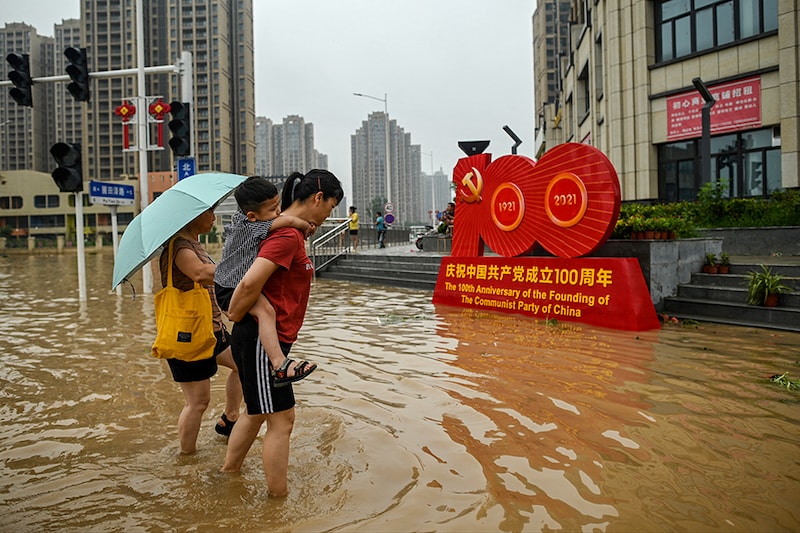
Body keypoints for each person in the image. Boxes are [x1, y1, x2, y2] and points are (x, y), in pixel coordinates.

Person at [221, 169, 344, 497]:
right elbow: (248, 282)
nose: (329, 214)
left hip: (261, 338)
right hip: (262, 341)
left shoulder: (287, 230)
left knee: (258, 412)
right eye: (330, 207)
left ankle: (227, 475)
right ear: (318, 198)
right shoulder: (287, 235)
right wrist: (233, 311)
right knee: (283, 420)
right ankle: (278, 504)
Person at [213, 176, 318, 436]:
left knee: (257, 412)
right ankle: (279, 363)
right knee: (266, 310)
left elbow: (277, 219)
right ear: (251, 215)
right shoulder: (253, 226)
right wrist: (302, 223)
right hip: (230, 288)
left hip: (228, 283)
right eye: (272, 209)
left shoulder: (244, 220)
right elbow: (284, 221)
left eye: (278, 205)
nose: (277, 212)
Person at [158, 208, 242, 454]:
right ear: (192, 216)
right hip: (188, 334)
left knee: (243, 365)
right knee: (198, 402)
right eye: (209, 213)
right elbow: (200, 273)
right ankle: (186, 457)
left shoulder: (194, 245)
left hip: (211, 329)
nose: (213, 218)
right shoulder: (179, 248)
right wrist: (246, 270)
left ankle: (230, 417)